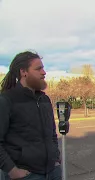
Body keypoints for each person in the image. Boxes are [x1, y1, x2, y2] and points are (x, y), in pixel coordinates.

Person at [0, 51, 61, 180]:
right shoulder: (7, 100)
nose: (44, 72)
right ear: (23, 72)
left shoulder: (44, 100)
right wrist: (12, 170)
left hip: (52, 171)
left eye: (43, 68)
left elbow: (52, 135)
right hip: (26, 175)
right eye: (39, 69)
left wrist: (56, 159)